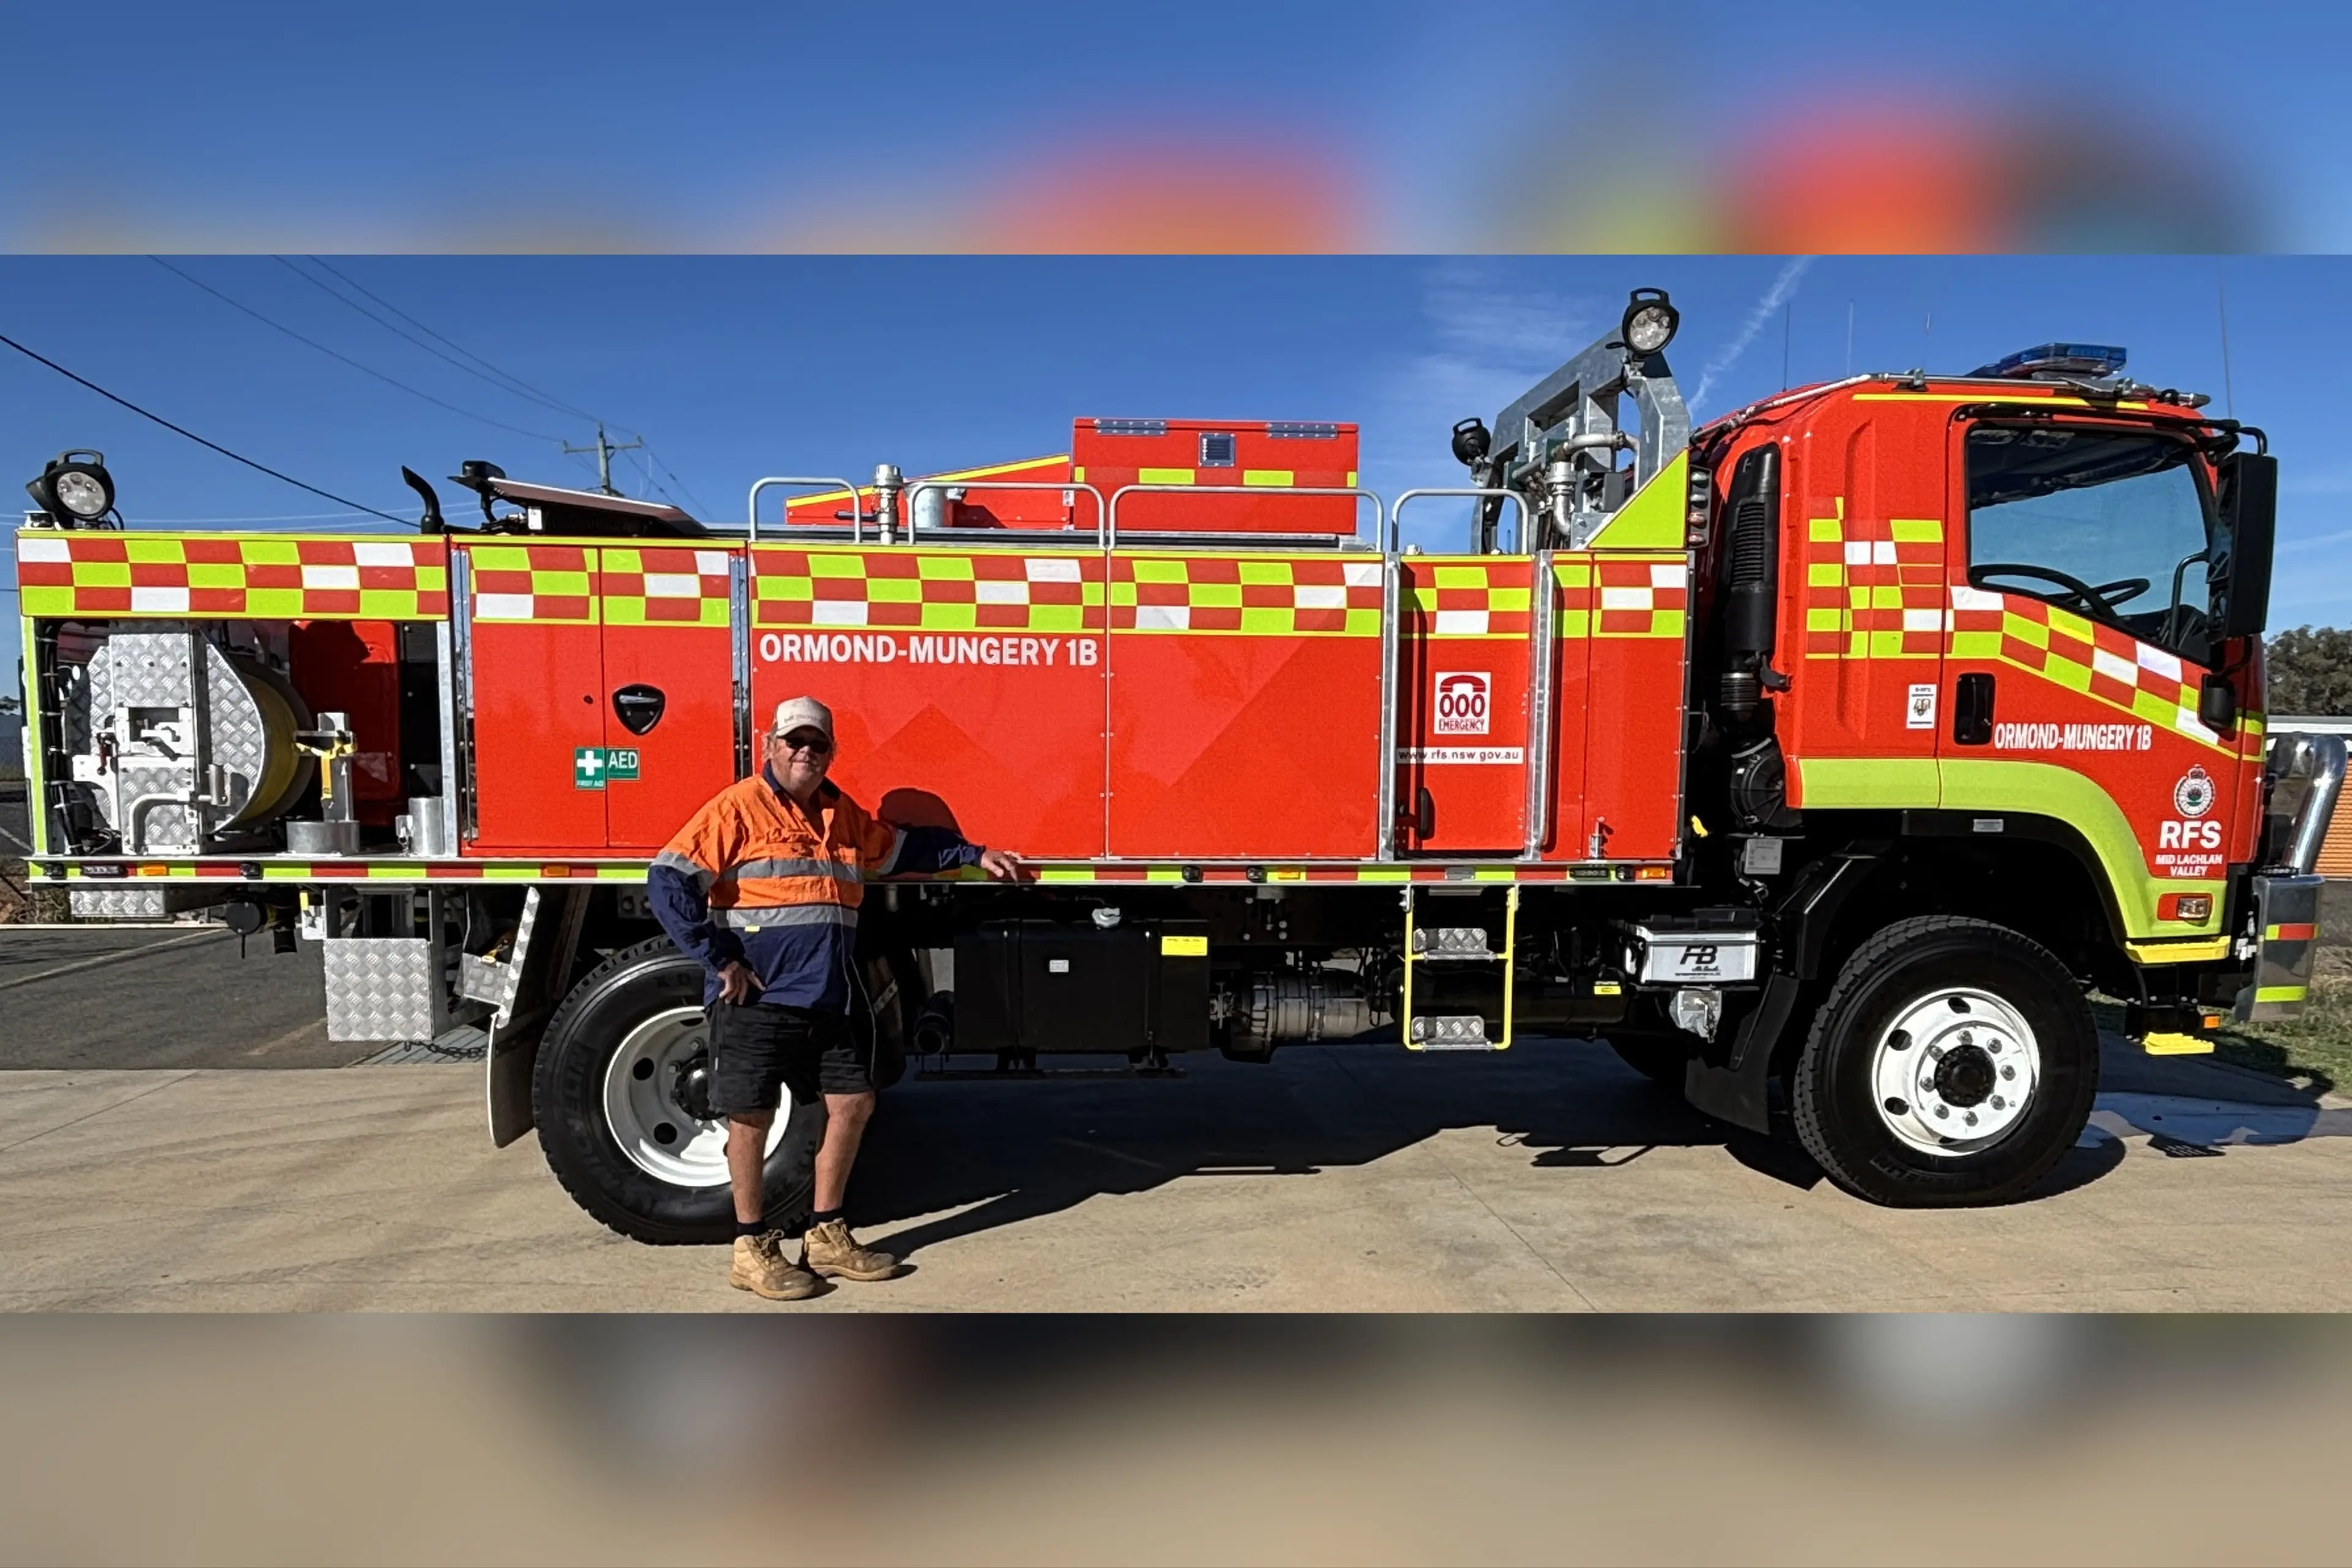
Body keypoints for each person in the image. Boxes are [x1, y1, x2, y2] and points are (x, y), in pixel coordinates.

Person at [648, 695, 1020, 1300]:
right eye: (794, 740)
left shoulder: (841, 815)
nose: (805, 751)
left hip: (828, 996)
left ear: (831, 752)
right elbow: (667, 880)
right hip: (760, 997)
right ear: (770, 745)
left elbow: (904, 849)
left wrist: (974, 853)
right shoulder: (738, 807)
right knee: (750, 1116)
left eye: (817, 743)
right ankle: (750, 1247)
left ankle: (825, 1234)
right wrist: (720, 959)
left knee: (854, 1102)